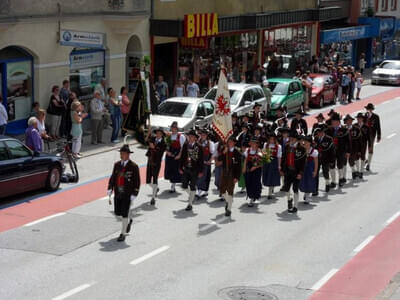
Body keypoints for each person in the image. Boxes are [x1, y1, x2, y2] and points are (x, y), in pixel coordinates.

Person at [107, 144, 140, 242]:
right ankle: (129, 221)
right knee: (118, 213)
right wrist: (110, 188)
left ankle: (123, 233)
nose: (121, 155)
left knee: (124, 213)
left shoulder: (133, 166)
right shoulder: (117, 165)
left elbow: (137, 181)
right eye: (121, 153)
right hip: (118, 192)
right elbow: (113, 177)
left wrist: (134, 194)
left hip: (127, 193)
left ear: (128, 155)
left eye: (123, 153)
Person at [280, 131, 306, 213]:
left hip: (296, 172)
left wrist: (300, 173)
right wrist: (281, 169)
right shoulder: (287, 146)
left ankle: (295, 206)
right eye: (290, 138)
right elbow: (283, 158)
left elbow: (303, 163)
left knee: (295, 189)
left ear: (296, 139)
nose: (291, 139)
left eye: (293, 138)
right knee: (286, 189)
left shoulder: (301, 148)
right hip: (288, 171)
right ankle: (289, 199)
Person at [179, 130, 204, 211]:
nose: (190, 138)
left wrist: (201, 171)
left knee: (192, 186)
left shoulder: (199, 147)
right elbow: (182, 157)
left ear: (195, 138)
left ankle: (190, 204)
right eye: (189, 136)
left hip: (195, 169)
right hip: (186, 168)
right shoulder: (185, 145)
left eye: (192, 137)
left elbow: (201, 160)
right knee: (184, 185)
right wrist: (180, 167)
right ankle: (192, 195)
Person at [218, 136, 242, 216]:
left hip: (232, 173)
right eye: (229, 141)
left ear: (234, 143)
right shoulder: (224, 149)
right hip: (225, 172)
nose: (230, 143)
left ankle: (229, 209)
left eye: (231, 141)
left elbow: (239, 167)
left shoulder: (237, 152)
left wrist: (237, 177)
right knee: (222, 190)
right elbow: (219, 159)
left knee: (230, 190)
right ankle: (229, 201)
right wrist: (224, 152)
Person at [326, 113, 351, 188]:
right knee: (331, 166)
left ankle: (340, 179)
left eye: (334, 121)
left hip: (341, 151)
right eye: (332, 122)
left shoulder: (344, 130)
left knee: (340, 166)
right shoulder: (329, 130)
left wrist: (348, 151)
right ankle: (333, 181)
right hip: (331, 152)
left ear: (338, 122)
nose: (332, 123)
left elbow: (348, 142)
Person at [145, 127, 166, 206]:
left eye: (159, 133)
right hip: (150, 161)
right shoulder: (153, 138)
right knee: (148, 181)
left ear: (162, 135)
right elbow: (146, 141)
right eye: (157, 133)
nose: (158, 134)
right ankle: (156, 188)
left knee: (155, 179)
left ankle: (153, 198)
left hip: (156, 163)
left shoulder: (163, 143)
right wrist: (148, 133)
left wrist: (153, 147)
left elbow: (160, 153)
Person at [165, 121, 185, 193]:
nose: (173, 129)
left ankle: (173, 185)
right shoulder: (169, 136)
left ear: (177, 129)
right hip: (170, 156)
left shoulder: (181, 136)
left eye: (174, 128)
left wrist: (179, 155)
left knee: (177, 170)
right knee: (170, 170)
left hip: (177, 155)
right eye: (172, 128)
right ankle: (173, 184)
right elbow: (167, 146)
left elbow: (183, 147)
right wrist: (168, 152)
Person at [314, 126, 335, 194]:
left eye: (320, 132)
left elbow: (332, 151)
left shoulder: (329, 139)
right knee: (316, 173)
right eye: (318, 132)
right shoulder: (316, 138)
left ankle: (327, 183)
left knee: (325, 172)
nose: (319, 133)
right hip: (317, 158)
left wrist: (332, 160)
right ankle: (315, 189)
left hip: (326, 158)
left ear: (323, 132)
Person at [243, 138, 263, 207]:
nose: (253, 144)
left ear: (257, 144)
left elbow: (261, 163)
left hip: (256, 170)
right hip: (249, 168)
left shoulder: (259, 151)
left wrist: (254, 167)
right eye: (252, 143)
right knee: (248, 182)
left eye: (254, 143)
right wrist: (244, 168)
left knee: (255, 183)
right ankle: (251, 195)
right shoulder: (247, 150)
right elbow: (245, 160)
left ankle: (252, 198)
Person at [262, 133, 282, 199]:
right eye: (270, 139)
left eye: (273, 139)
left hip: (274, 162)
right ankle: (270, 190)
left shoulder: (278, 146)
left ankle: (270, 192)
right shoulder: (266, 145)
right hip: (267, 162)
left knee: (273, 177)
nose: (272, 140)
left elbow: (279, 156)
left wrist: (279, 165)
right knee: (268, 177)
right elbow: (264, 154)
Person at [300, 135, 319, 204]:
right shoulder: (302, 149)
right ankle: (306, 193)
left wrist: (315, 171)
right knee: (304, 182)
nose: (305, 143)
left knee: (310, 182)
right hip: (303, 168)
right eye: (305, 141)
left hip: (310, 169)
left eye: (307, 141)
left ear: (310, 142)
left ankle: (307, 196)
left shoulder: (314, 151)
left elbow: (316, 163)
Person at [196, 129, 214, 198]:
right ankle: (200, 189)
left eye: (204, 135)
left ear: (207, 136)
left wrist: (210, 160)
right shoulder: (197, 142)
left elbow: (212, 153)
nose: (203, 136)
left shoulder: (210, 143)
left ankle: (202, 190)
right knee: (198, 175)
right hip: (199, 161)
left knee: (205, 176)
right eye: (202, 135)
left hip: (206, 162)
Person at [344, 114, 362, 180]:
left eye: (350, 120)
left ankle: (354, 172)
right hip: (346, 148)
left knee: (351, 160)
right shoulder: (343, 129)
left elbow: (359, 139)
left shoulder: (356, 129)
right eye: (347, 120)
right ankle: (353, 171)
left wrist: (360, 149)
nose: (349, 122)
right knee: (347, 162)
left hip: (354, 147)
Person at [364, 103, 381, 171]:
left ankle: (369, 164)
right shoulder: (364, 116)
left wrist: (379, 136)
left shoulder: (376, 117)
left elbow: (378, 126)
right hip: (364, 134)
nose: (369, 110)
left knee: (370, 148)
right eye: (368, 109)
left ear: (372, 109)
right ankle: (365, 160)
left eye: (370, 109)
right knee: (363, 148)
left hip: (372, 134)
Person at [356, 112, 369, 179]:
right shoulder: (354, 126)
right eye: (358, 118)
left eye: (360, 118)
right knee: (356, 157)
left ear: (362, 119)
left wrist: (369, 144)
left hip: (363, 144)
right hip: (356, 144)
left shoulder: (366, 127)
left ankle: (361, 172)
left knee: (362, 157)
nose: (359, 119)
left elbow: (368, 136)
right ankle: (357, 171)